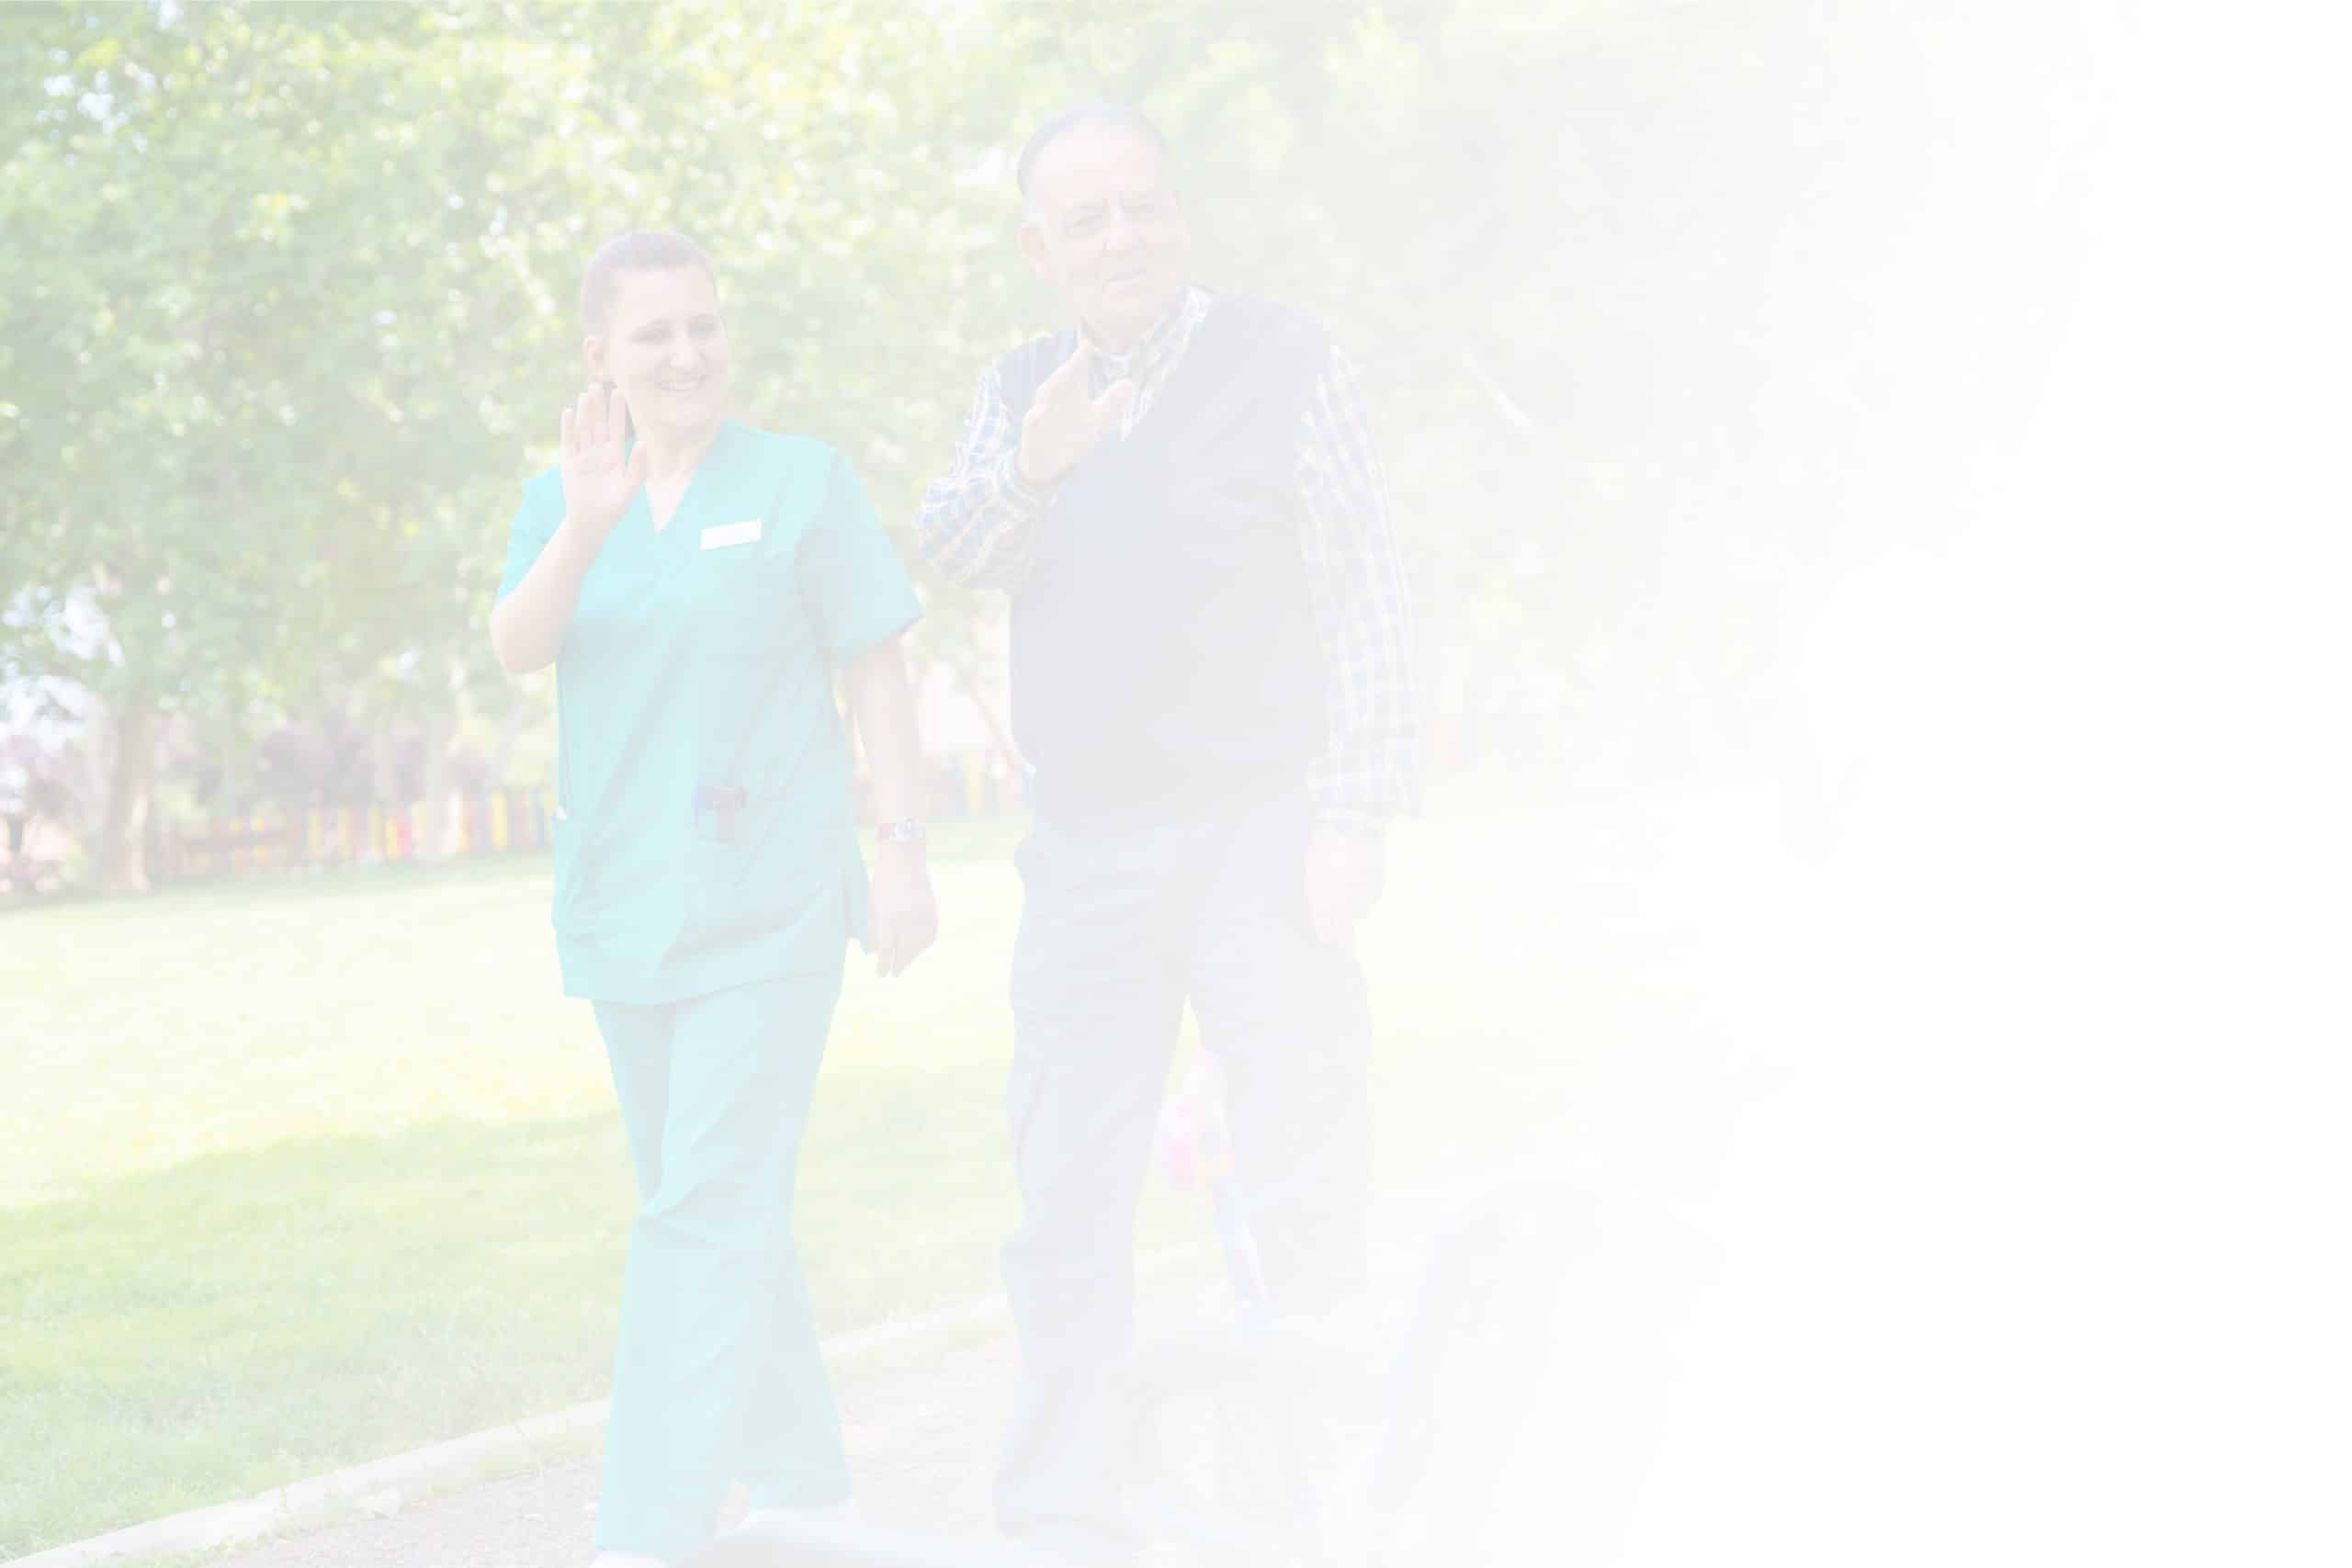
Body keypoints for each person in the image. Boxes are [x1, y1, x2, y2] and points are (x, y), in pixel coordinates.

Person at [915, 104, 1419, 1564]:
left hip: (1264, 825)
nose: (1123, 236)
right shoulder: (1021, 387)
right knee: (1069, 1176)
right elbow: (950, 546)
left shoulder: (1284, 357)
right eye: (1089, 220)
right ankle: (1066, 1503)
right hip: (1088, 848)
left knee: (1297, 1129)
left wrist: (1355, 813)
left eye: (1143, 207)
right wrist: (1039, 465)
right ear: (1040, 250)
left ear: (1175, 214)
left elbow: (1365, 585)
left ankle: (1310, 1466)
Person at [489, 231, 937, 1568]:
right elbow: (518, 647)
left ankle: (648, 1527)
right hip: (625, 903)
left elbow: (878, 665)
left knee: (700, 1210)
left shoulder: (802, 481)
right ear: (600, 358)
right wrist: (583, 524)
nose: (687, 354)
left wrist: (901, 844)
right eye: (653, 335)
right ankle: (802, 1478)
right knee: (712, 1196)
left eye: (703, 326)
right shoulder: (561, 499)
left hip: (771, 904)